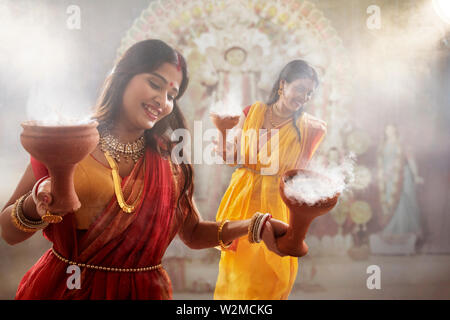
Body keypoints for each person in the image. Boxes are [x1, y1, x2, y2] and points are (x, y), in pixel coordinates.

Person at [0, 39, 287, 300]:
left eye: (172, 94)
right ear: (123, 77)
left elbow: (194, 233)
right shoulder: (70, 141)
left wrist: (254, 226)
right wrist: (36, 205)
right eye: (154, 84)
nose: (163, 102)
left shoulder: (170, 161)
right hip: (67, 290)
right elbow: (8, 232)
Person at [213, 60, 327, 300]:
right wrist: (222, 132)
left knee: (272, 278)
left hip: (277, 209)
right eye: (300, 89)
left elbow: (302, 177)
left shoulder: (311, 129)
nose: (304, 97)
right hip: (242, 203)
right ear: (283, 85)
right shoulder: (252, 112)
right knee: (238, 277)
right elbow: (232, 158)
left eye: (309, 93)